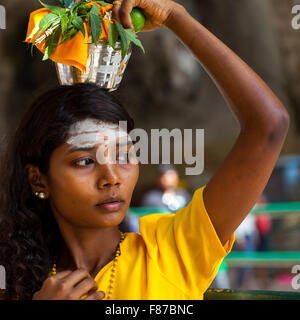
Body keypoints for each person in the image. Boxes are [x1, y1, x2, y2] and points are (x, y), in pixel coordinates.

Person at [0, 0, 289, 300]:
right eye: (85, 161)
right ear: (38, 179)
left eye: (124, 156)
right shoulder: (14, 278)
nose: (111, 178)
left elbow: (269, 125)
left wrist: (176, 18)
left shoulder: (172, 250)